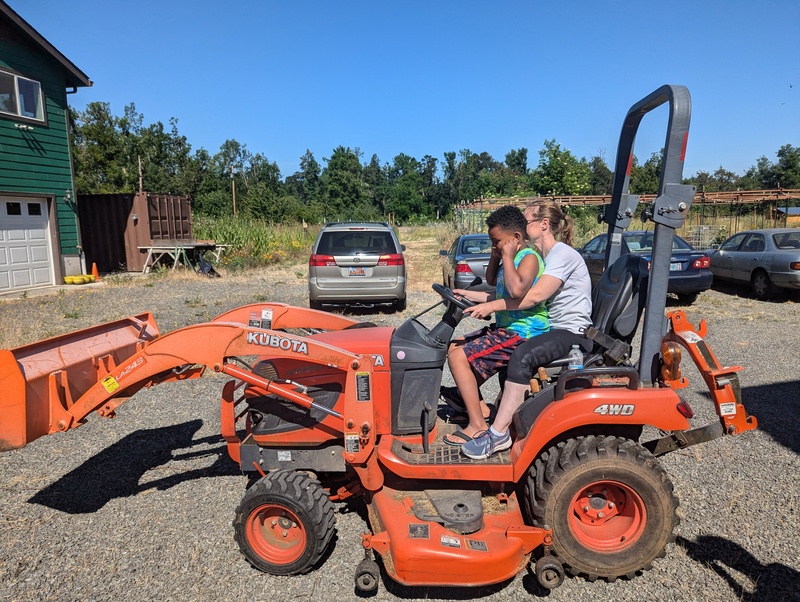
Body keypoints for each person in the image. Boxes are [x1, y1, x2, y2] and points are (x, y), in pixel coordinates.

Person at [459, 200, 592, 459]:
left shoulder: (561, 254)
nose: (521, 223)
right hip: (556, 328)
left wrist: (491, 307)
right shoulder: (544, 257)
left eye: (526, 219)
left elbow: (531, 298)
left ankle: (497, 435)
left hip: (572, 332)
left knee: (522, 355)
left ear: (543, 225)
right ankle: (492, 413)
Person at [442, 205, 549, 446]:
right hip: (507, 328)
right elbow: (493, 285)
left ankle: (477, 426)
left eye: (497, 241)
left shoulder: (529, 258)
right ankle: (478, 408)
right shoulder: (506, 259)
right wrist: (467, 293)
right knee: (453, 347)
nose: (495, 246)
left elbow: (517, 292)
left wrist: (508, 256)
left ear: (516, 238)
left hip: (523, 331)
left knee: (459, 358)